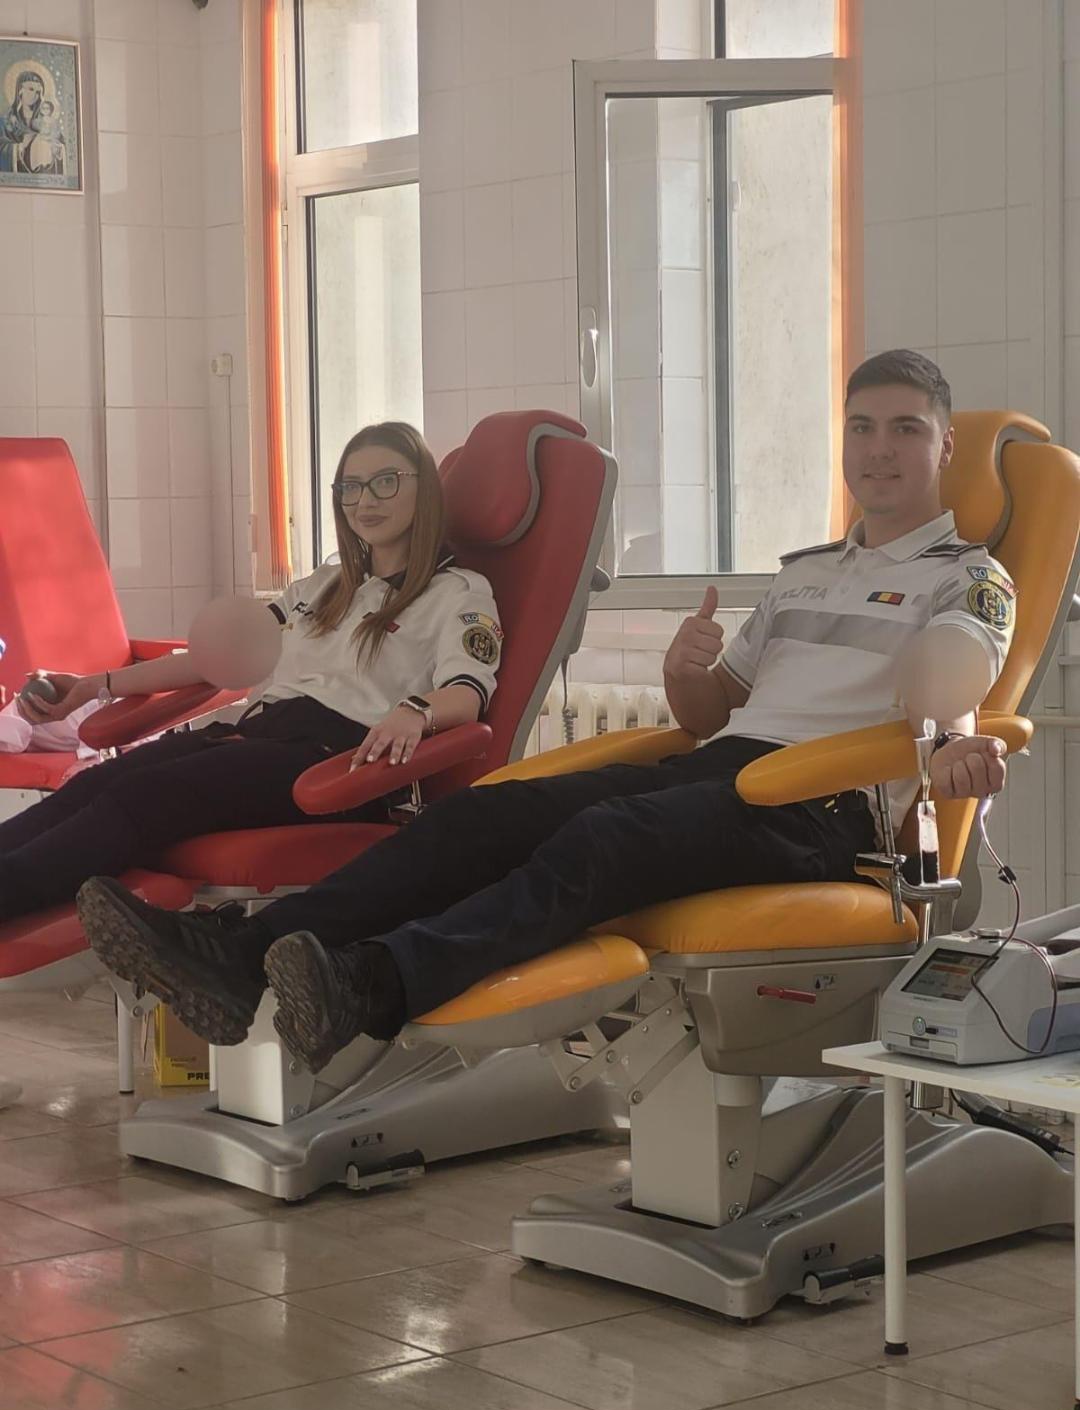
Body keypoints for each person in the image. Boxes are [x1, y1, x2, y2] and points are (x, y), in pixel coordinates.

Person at [80, 350, 1015, 1074]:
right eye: (862, 428)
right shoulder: (804, 574)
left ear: (944, 448)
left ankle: (376, 981)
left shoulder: (971, 580)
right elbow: (706, 713)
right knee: (488, 814)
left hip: (827, 811)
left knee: (607, 837)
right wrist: (684, 667)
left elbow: (954, 688)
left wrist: (950, 749)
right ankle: (242, 954)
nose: (879, 449)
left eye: (905, 429)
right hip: (728, 769)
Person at [0, 421, 501, 948]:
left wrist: (417, 710)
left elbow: (467, 693)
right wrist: (93, 685)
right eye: (350, 486)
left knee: (141, 796)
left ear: (424, 488)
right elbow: (215, 659)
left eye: (386, 481)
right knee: (95, 784)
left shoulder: (457, 593)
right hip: (257, 738)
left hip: (337, 761)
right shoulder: (324, 585)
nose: (365, 500)